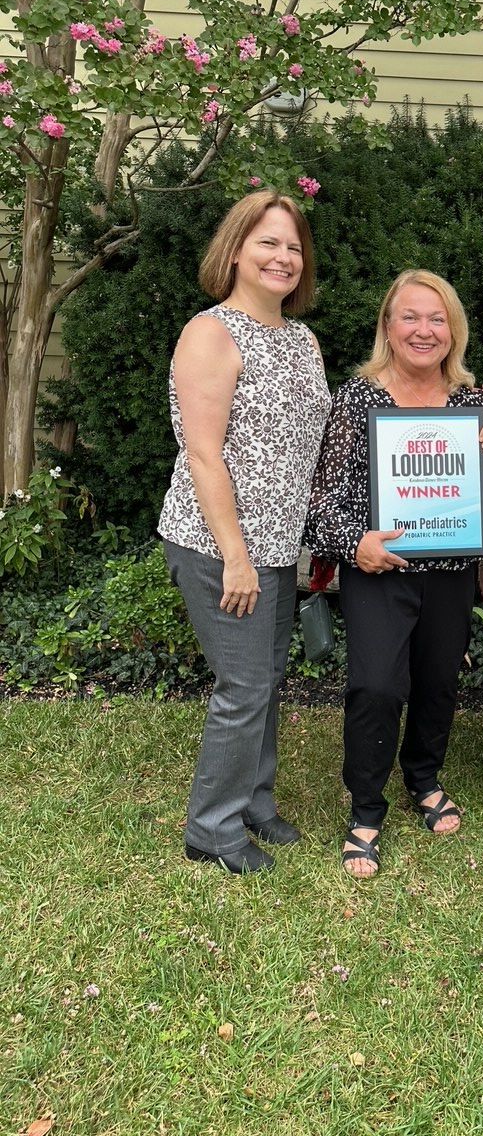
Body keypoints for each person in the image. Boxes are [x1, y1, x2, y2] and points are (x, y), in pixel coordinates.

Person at [305, 269, 483, 879]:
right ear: (388, 328)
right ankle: (366, 807)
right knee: (375, 684)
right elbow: (322, 503)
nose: (424, 330)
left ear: (453, 330)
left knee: (437, 682)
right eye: (410, 318)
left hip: (450, 572)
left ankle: (423, 777)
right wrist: (354, 544)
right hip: (380, 570)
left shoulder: (472, 404)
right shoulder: (358, 398)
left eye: (437, 319)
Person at [158, 191, 330, 874]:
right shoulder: (210, 334)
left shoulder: (302, 338)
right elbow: (203, 453)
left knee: (266, 679)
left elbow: (304, 451)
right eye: (268, 242)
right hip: (218, 544)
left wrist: (312, 546)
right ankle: (213, 831)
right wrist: (236, 556)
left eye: (293, 246)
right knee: (243, 684)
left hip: (281, 548)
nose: (283, 256)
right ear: (235, 251)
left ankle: (254, 802)